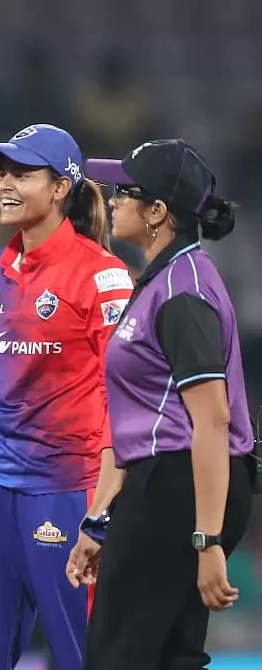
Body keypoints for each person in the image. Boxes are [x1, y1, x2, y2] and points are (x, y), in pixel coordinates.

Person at [0, 124, 135, 670]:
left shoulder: (104, 277)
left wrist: (104, 506)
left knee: (84, 656)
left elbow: (124, 397)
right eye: (2, 173)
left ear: (60, 188)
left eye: (22, 174)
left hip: (65, 490)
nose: (4, 185)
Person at [72, 140, 252, 669]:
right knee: (169, 658)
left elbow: (213, 420)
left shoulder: (182, 293)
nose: (113, 200)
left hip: (179, 487)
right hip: (173, 485)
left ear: (157, 213)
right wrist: (99, 520)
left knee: (118, 657)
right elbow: (139, 415)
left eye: (126, 192)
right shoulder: (164, 280)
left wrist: (207, 539)